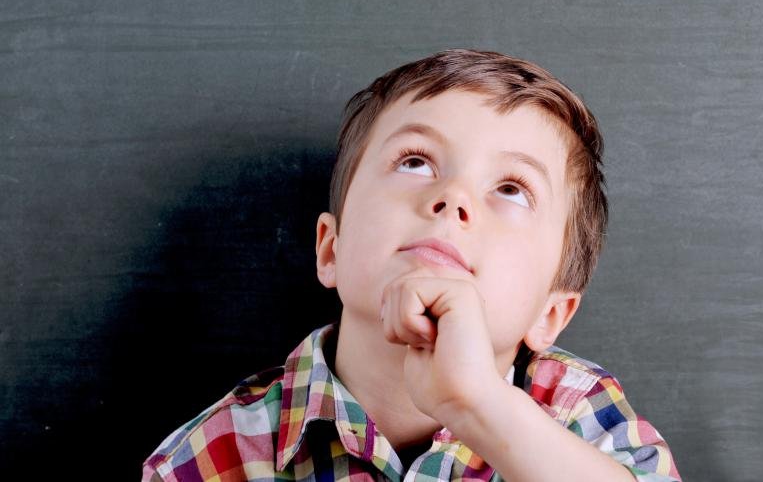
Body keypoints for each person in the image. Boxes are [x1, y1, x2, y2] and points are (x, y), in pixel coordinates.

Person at [142, 48, 682, 481]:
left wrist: (478, 406)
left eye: (513, 189)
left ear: (551, 314)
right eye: (416, 161)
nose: (453, 199)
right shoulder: (217, 455)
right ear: (331, 249)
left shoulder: (577, 413)